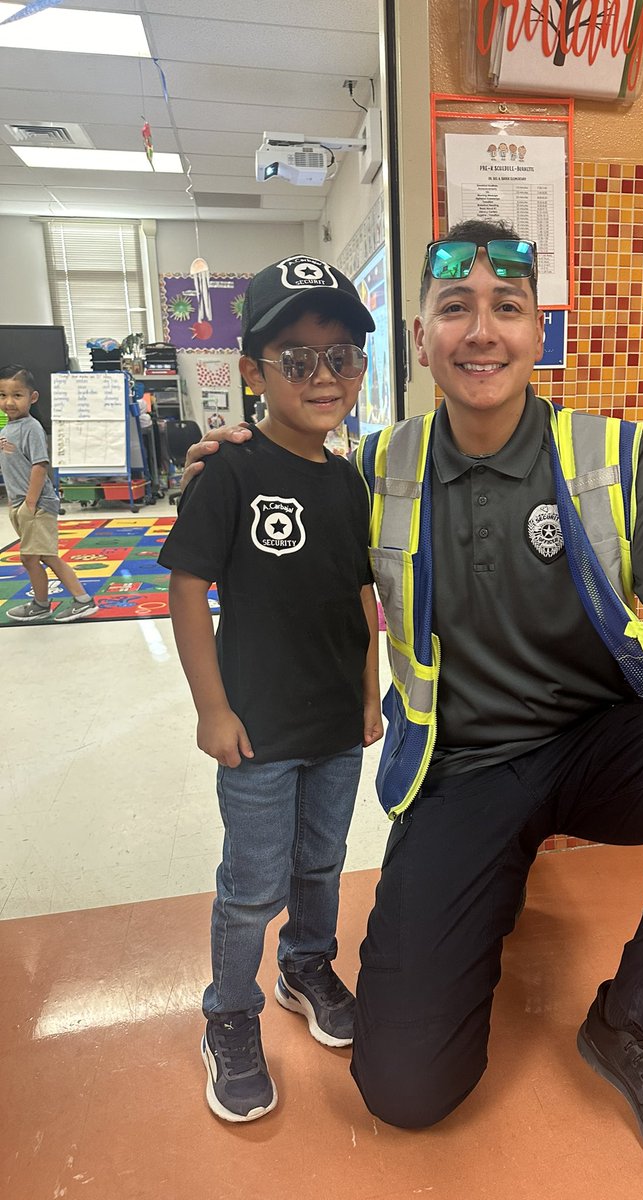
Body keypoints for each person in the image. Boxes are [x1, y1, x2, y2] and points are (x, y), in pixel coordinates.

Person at [183, 223, 643, 1197]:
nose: (482, 331)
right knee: (404, 1088)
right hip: (462, 770)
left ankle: (639, 1027)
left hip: (602, 745)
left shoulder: (609, 457)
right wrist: (236, 464)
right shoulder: (371, 475)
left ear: (537, 330)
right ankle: (491, 875)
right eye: (454, 308)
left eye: (507, 307)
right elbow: (276, 521)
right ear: (422, 340)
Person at [158, 255, 383, 1124]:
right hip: (254, 730)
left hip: (334, 724)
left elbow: (361, 593)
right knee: (252, 882)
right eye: (296, 359)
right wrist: (211, 708)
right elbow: (186, 587)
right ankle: (228, 1012)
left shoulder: (350, 477)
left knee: (321, 862)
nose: (322, 378)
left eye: (341, 359)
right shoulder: (230, 474)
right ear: (252, 371)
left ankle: (306, 964)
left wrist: (369, 694)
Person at [0, 365, 98, 623]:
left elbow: (39, 466)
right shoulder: (8, 428)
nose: (9, 402)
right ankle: (41, 603)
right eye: (2, 395)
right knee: (32, 557)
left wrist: (30, 504)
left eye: (17, 395)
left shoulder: (31, 428)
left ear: (32, 398)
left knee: (43, 556)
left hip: (36, 504)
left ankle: (83, 600)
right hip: (21, 504)